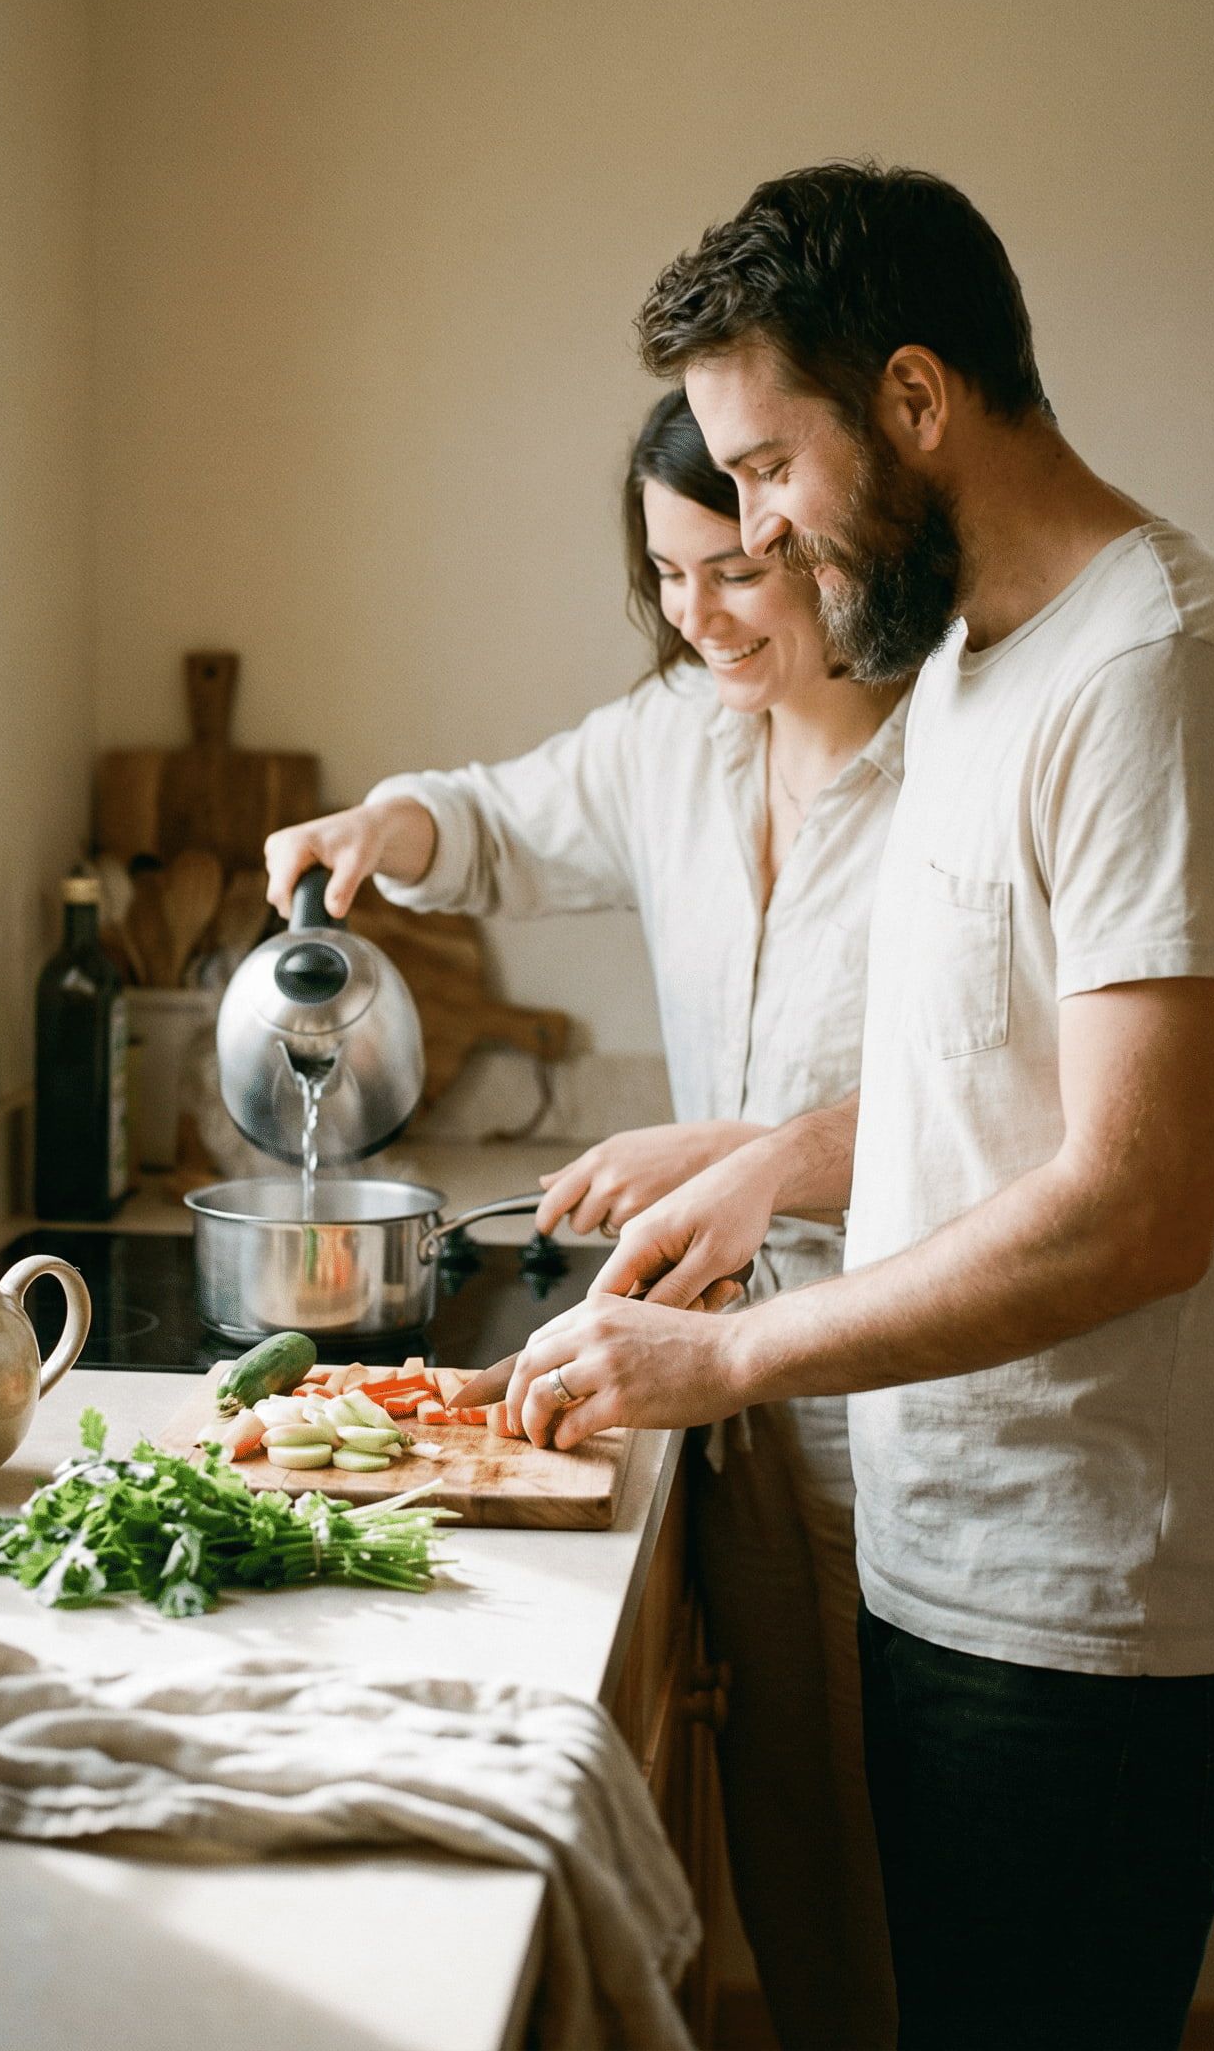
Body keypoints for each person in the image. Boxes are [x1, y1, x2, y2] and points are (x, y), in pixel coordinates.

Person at [502, 162, 1214, 2051]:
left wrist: (724, 1365)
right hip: (960, 1549)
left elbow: (1140, 1203)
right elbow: (995, 1081)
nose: (758, 530)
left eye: (770, 468)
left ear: (912, 397)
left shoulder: (1162, 680)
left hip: (1092, 1600)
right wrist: (753, 1161)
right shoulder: (973, 667)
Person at [265, 388, 906, 2051]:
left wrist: (743, 1149)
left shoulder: (959, 750)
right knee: (789, 1812)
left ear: (820, 547)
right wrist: (378, 829)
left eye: (734, 573)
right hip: (724, 1369)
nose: (695, 617)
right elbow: (491, 819)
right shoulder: (679, 736)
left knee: (917, 1844)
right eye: (665, 576)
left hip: (916, 1375)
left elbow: (1011, 1107)